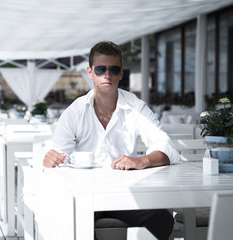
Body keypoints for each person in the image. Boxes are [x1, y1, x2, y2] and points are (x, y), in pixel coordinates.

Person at [43, 41, 180, 239]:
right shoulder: (75, 111)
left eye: (113, 69)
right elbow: (58, 156)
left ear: (121, 74)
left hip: (124, 194)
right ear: (90, 73)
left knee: (162, 220)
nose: (107, 75)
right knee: (71, 223)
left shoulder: (135, 106)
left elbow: (168, 147)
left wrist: (140, 161)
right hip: (85, 195)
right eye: (100, 69)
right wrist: (51, 159)